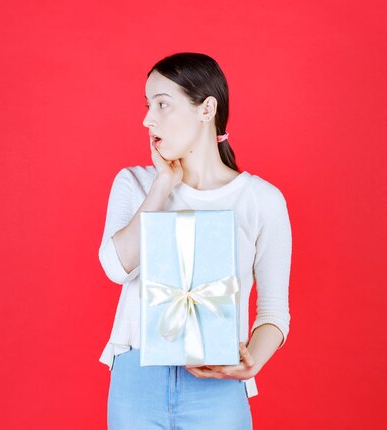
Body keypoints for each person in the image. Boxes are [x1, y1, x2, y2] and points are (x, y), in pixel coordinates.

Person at [98, 52, 292, 430]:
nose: (147, 118)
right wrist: (162, 187)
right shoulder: (135, 183)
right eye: (147, 105)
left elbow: (274, 314)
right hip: (137, 376)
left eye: (162, 104)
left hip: (218, 386)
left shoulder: (261, 200)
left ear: (206, 110)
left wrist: (251, 359)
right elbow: (115, 267)